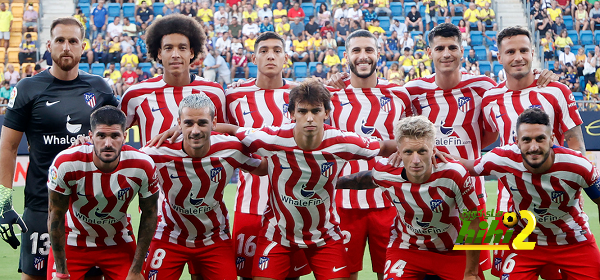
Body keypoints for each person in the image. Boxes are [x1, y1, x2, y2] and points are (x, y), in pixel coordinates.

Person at [216, 80, 398, 279]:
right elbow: (232, 130)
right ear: (292, 114)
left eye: (316, 111)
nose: (309, 118)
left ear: (326, 113)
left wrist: (424, 145)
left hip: (325, 236)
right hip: (277, 235)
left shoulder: (342, 141)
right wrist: (181, 131)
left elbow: (384, 146)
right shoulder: (272, 138)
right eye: (302, 111)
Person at [0, 17, 118, 280]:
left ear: (83, 46)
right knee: (35, 276)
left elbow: (117, 139)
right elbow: (7, 147)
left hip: (89, 206)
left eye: (73, 41)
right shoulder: (27, 88)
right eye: (61, 41)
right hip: (41, 204)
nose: (66, 47)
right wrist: (4, 204)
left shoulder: (100, 88)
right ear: (49, 44)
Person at [481, 26, 586, 279]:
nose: (518, 57)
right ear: (500, 56)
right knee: (508, 273)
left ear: (532, 52)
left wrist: (575, 191)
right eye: (511, 51)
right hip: (510, 206)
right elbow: (493, 138)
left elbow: (576, 146)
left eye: (523, 50)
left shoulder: (556, 91)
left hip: (557, 202)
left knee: (560, 274)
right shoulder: (490, 99)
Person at [450, 108, 600, 279]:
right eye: (527, 140)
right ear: (517, 141)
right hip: (525, 241)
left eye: (540, 139)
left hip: (574, 242)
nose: (534, 147)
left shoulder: (579, 165)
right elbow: (468, 166)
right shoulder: (501, 158)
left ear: (551, 139)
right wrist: (434, 155)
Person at [336, 116, 482, 280]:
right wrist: (327, 182)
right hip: (407, 249)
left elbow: (473, 221)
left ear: (433, 150)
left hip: (452, 250)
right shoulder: (385, 171)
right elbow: (362, 181)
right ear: (398, 152)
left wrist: (471, 272)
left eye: (422, 151)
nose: (415, 160)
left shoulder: (454, 173)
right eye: (408, 152)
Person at [140, 94, 267, 280]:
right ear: (178, 123)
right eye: (189, 123)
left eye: (202, 123)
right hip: (170, 235)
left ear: (214, 122)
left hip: (214, 238)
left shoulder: (231, 148)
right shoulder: (157, 152)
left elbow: (263, 168)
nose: (195, 130)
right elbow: (123, 164)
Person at [223, 31, 311, 280]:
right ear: (253, 58)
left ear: (286, 57)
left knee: (290, 276)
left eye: (276, 51)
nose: (270, 56)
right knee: (248, 275)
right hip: (250, 204)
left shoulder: (302, 95)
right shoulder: (233, 96)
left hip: (294, 208)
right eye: (263, 51)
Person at [327, 29, 412, 280]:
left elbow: (411, 139)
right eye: (356, 51)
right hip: (343, 203)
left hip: (389, 202)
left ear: (379, 54)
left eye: (368, 50)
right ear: (346, 57)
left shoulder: (399, 94)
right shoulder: (330, 96)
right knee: (343, 274)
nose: (363, 56)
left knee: (389, 274)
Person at [47, 106, 159, 280]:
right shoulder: (66, 162)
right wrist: (61, 272)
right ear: (91, 137)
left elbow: (150, 214)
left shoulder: (142, 165)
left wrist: (136, 270)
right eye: (101, 136)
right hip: (73, 240)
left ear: (124, 136)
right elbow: (55, 215)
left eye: (115, 136)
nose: (108, 143)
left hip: (118, 241)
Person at [119, 14, 226, 147]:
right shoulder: (135, 94)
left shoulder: (214, 92)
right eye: (168, 48)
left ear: (191, 52)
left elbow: (225, 137)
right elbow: (112, 135)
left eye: (182, 48)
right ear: (159, 53)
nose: (175, 55)